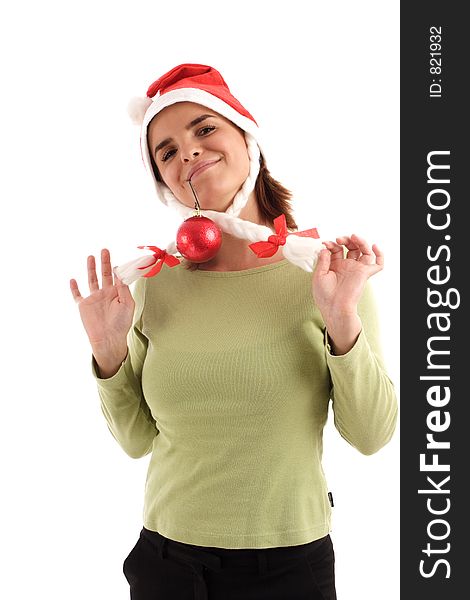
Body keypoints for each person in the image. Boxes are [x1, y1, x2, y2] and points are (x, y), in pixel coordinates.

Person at [69, 63, 398, 600]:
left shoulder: (326, 274)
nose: (188, 153)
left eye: (204, 129)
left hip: (287, 568)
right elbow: (135, 442)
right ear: (162, 180)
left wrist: (342, 320)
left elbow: (372, 435)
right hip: (165, 561)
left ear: (246, 138)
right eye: (167, 152)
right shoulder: (155, 283)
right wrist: (107, 353)